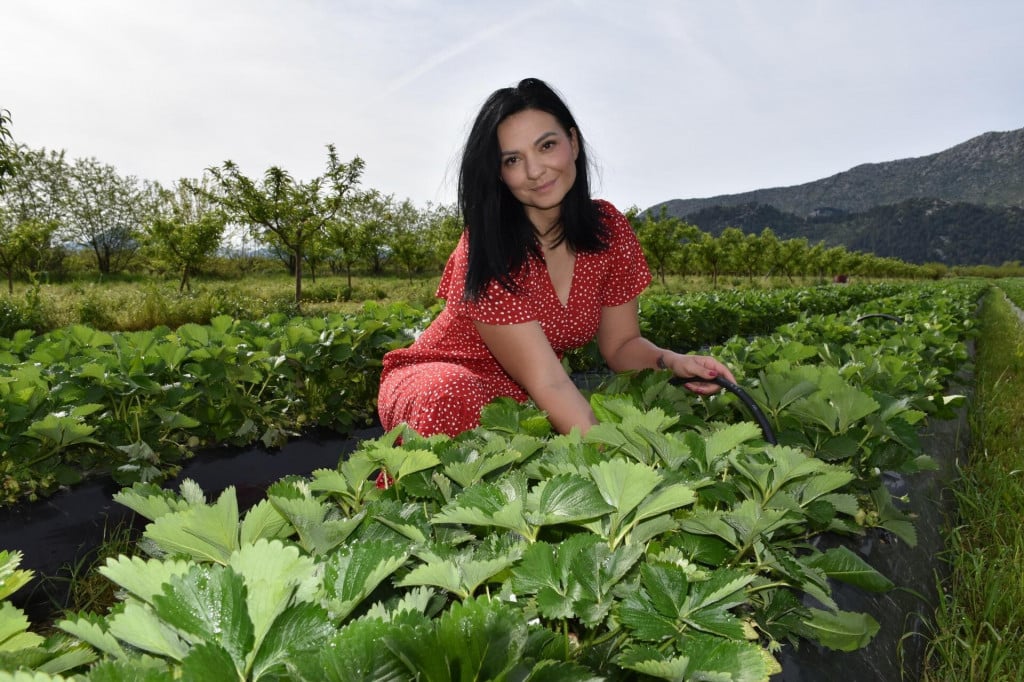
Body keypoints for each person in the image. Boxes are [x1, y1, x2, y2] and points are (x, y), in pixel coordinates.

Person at [377, 77, 734, 438]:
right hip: (443, 382)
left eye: (547, 146)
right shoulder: (488, 244)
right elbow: (549, 382)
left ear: (573, 142)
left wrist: (672, 361)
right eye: (513, 160)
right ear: (500, 175)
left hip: (523, 394)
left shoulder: (609, 231)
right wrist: (616, 467)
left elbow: (622, 346)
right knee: (453, 393)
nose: (535, 171)